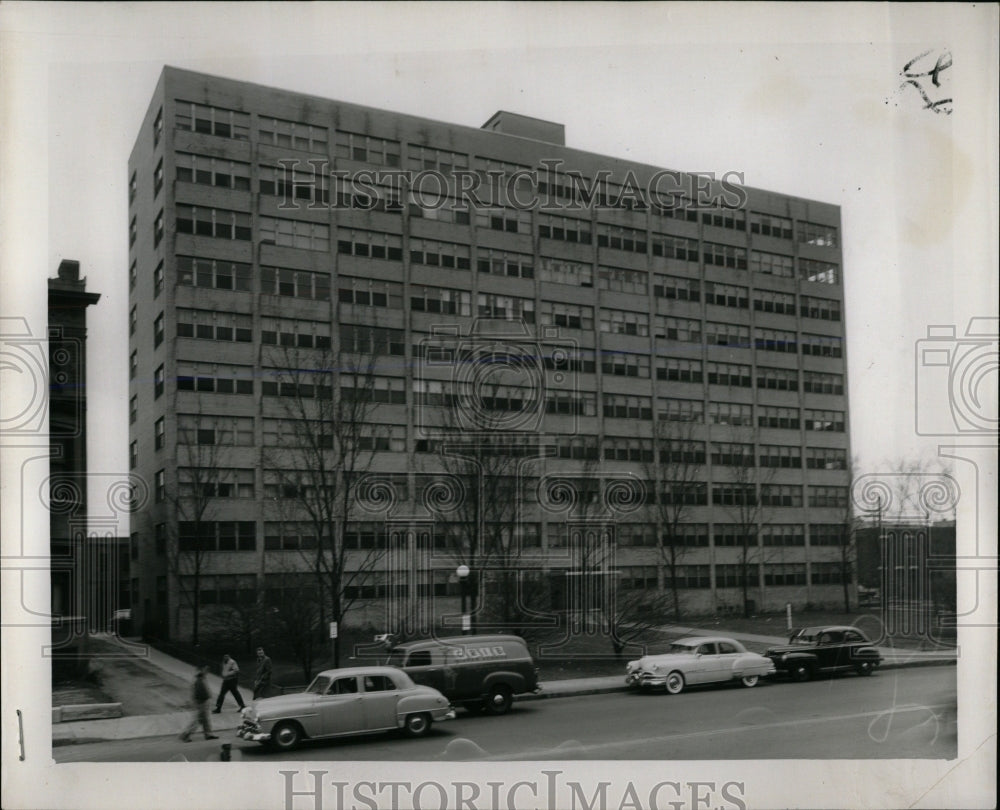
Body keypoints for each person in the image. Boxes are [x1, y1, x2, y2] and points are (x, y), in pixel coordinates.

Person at [179, 666, 218, 742]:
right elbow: (200, 693)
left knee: (205, 719)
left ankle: (208, 734)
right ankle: (186, 734)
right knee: (198, 720)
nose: (207, 672)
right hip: (201, 702)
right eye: (205, 670)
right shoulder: (199, 680)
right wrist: (206, 698)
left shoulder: (201, 678)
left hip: (202, 702)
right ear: (201, 670)